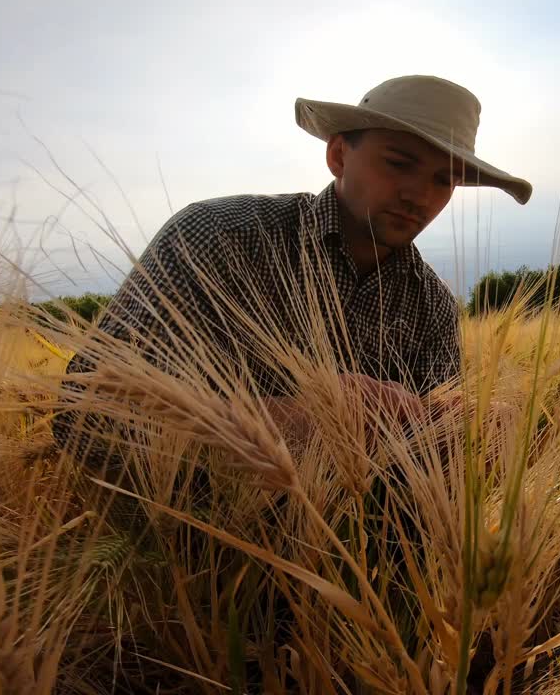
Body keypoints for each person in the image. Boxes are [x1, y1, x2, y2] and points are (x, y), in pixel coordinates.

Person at [50, 74, 531, 481]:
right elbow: (83, 414)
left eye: (443, 180)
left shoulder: (433, 310)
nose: (418, 195)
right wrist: (296, 420)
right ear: (339, 156)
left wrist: (469, 444)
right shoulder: (218, 239)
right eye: (399, 163)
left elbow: (414, 481)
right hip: (176, 572)